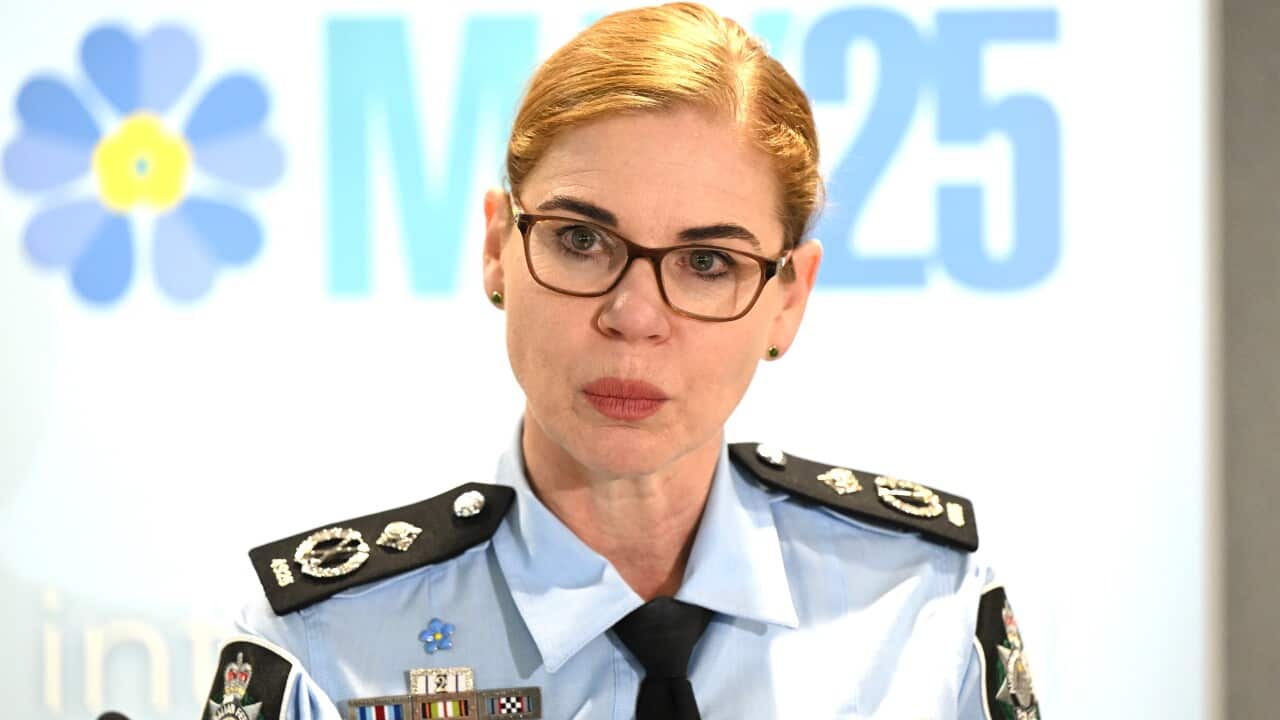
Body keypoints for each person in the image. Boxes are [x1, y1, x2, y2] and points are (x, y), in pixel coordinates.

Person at [202, 4, 1041, 719]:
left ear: (789, 297)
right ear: (499, 247)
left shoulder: (925, 603)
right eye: (580, 240)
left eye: (708, 261)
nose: (633, 316)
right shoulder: (324, 644)